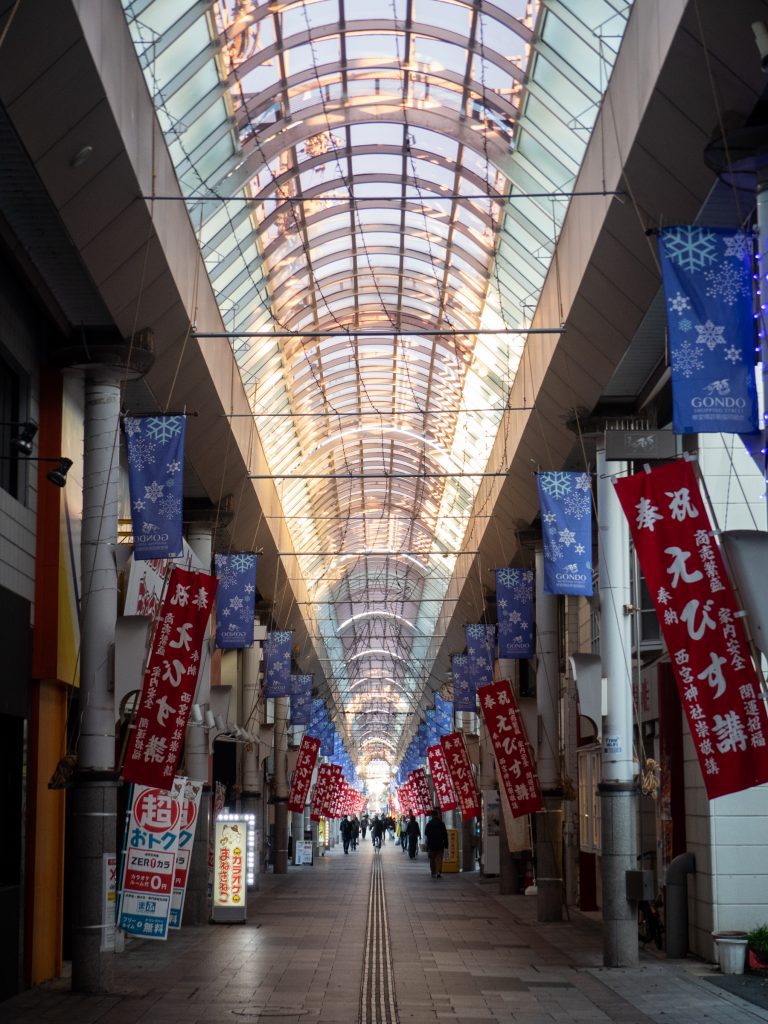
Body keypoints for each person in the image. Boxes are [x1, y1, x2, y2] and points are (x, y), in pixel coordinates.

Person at [424, 808, 449, 878]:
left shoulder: (429, 824)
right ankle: (439, 872)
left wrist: (427, 845)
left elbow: (426, 835)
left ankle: (433, 872)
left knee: (432, 859)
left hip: (431, 844)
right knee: (439, 859)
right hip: (440, 844)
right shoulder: (441, 823)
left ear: (432, 816)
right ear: (437, 815)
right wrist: (446, 845)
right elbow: (445, 835)